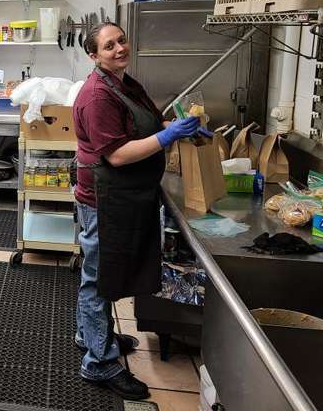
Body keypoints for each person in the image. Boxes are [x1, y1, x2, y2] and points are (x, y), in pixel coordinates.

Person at [72, 22, 199, 400]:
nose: (119, 49)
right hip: (104, 200)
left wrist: (177, 127)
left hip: (124, 195)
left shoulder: (125, 82)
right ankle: (99, 363)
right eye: (109, 46)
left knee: (97, 272)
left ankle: (89, 334)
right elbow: (117, 154)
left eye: (121, 40)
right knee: (100, 278)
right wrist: (166, 137)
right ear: (94, 56)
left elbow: (145, 122)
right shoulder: (97, 96)